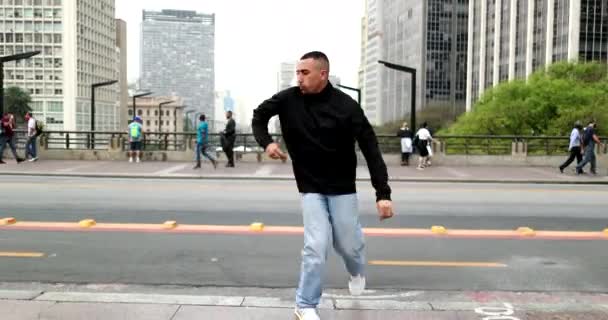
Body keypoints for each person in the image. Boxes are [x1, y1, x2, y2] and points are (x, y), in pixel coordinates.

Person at [252, 51, 394, 320]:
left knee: (349, 244)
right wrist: (267, 143)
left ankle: (356, 269)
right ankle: (305, 304)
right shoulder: (287, 99)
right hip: (310, 187)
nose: (299, 78)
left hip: (342, 187)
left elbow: (370, 148)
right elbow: (259, 117)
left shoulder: (347, 106)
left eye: (305, 73)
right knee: (316, 245)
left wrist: (382, 193)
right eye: (297, 73)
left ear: (323, 74)